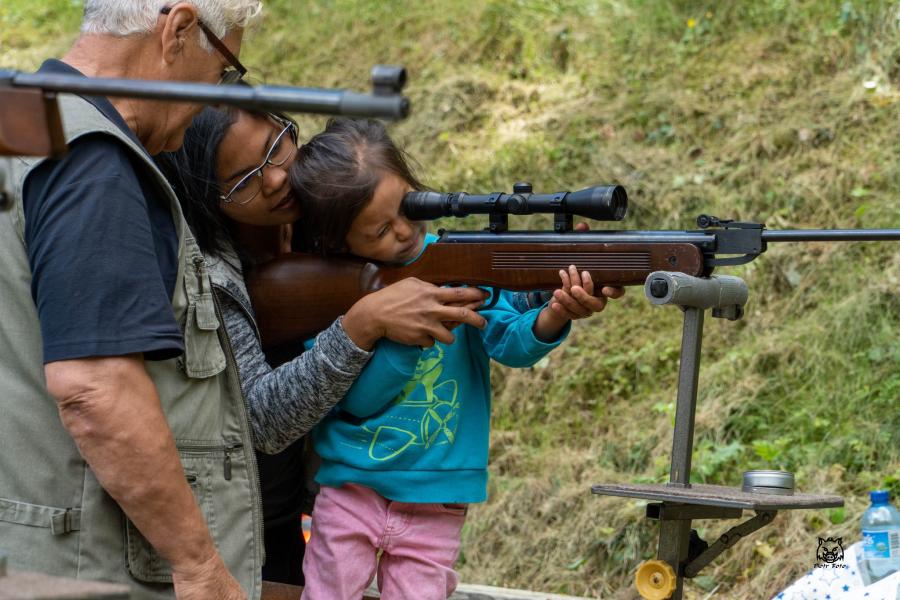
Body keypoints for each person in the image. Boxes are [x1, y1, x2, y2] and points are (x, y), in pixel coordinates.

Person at [291, 118, 625, 600]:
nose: (405, 233)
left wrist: (552, 315)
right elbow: (358, 402)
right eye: (381, 229)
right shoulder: (327, 290)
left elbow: (508, 340)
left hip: (439, 493)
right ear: (337, 242)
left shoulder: (457, 262)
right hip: (351, 488)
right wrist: (402, 333)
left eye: (409, 208)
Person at [155, 106, 491, 585]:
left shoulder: (348, 199)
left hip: (345, 492)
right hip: (252, 515)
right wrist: (362, 325)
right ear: (208, 196)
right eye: (244, 178)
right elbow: (262, 419)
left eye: (275, 146)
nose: (275, 178)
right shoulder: (206, 269)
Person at [0, 3, 265, 599]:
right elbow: (95, 389)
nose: (214, 100)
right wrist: (198, 565)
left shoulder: (17, 120)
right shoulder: (94, 160)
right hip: (87, 567)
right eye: (224, 70)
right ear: (178, 31)